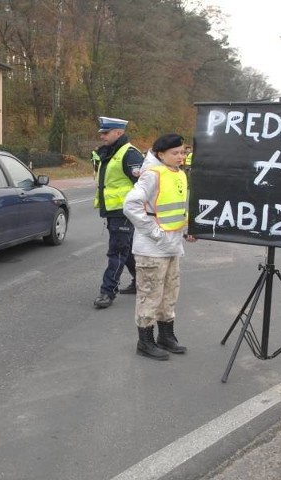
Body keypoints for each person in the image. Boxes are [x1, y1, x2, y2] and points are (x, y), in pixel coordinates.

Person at [123, 133, 197, 360]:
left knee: (169, 293)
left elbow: (178, 208)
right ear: (160, 154)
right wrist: (155, 233)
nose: (180, 156)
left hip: (172, 246)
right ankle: (145, 342)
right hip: (151, 249)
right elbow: (130, 205)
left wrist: (187, 230)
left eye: (182, 152)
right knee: (150, 295)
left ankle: (166, 337)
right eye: (174, 153)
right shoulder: (152, 175)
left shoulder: (179, 174)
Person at [93, 116, 144, 308]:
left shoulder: (129, 154)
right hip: (114, 210)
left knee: (117, 251)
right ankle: (140, 282)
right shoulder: (110, 152)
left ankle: (107, 291)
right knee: (127, 250)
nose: (102, 137)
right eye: (101, 133)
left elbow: (141, 185)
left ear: (118, 132)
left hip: (124, 212)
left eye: (105, 133)